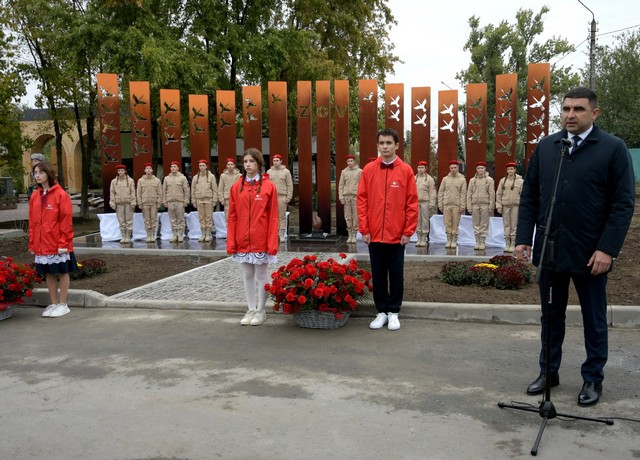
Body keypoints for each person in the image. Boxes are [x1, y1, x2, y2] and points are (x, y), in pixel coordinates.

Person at [515, 87, 635, 407]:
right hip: (552, 249)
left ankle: (593, 378)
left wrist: (607, 249)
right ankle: (548, 371)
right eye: (566, 108)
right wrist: (524, 238)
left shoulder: (612, 149)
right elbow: (530, 197)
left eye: (578, 109)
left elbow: (622, 204)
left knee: (594, 318)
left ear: (594, 113)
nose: (570, 114)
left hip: (591, 254)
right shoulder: (547, 147)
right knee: (550, 317)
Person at [357, 128, 418, 331]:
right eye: (381, 143)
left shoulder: (406, 170)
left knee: (397, 275)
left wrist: (408, 231)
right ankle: (381, 311)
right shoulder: (369, 170)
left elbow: (411, 202)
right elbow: (362, 200)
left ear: (397, 145)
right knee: (378, 273)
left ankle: (394, 312)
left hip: (396, 235)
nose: (385, 147)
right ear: (378, 145)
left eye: (389, 143)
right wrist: (364, 229)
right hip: (374, 234)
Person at [227, 148, 279, 326]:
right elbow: (232, 216)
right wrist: (231, 240)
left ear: (259, 164)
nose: (248, 164)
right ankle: (250, 308)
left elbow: (273, 216)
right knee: (247, 274)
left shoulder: (268, 187)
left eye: (251, 161)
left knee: (261, 274)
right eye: (246, 161)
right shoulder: (236, 187)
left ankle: (261, 310)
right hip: (242, 239)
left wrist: (272, 242)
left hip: (260, 239)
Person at [28, 162, 78, 318]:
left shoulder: (60, 194)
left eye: (40, 172)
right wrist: (32, 242)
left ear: (48, 174)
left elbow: (65, 220)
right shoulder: (35, 196)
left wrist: (64, 243)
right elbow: (33, 222)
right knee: (48, 273)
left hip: (57, 242)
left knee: (63, 271)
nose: (37, 175)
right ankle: (53, 303)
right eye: (35, 173)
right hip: (42, 243)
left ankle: (63, 304)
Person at [437, 160, 467, 249]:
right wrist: (440, 204)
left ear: (458, 168)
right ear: (449, 169)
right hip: (446, 204)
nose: (453, 169)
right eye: (451, 168)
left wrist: (462, 206)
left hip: (456, 205)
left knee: (455, 223)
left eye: (455, 168)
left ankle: (454, 240)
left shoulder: (462, 179)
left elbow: (463, 193)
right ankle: (448, 240)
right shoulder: (445, 179)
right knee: (447, 223)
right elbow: (441, 192)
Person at [466, 161, 495, 250]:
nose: (480, 170)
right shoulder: (472, 180)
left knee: (484, 224)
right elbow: (469, 194)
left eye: (482, 168)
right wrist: (469, 206)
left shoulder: (489, 180)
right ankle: (477, 241)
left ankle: (482, 241)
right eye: (478, 168)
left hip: (485, 204)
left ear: (485, 169)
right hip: (475, 204)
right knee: (475, 223)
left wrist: (491, 206)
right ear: (476, 169)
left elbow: (492, 194)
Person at [496, 162, 523, 253]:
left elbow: (523, 195)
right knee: (506, 225)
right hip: (505, 205)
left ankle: (513, 243)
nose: (510, 171)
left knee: (514, 225)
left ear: (515, 170)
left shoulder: (520, 181)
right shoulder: (503, 181)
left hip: (515, 206)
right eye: (508, 169)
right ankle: (507, 243)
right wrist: (499, 206)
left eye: (511, 169)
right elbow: (499, 194)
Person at [266, 153, 293, 242]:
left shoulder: (286, 172)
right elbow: (266, 185)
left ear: (281, 161)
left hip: (282, 197)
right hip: (271, 197)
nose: (275, 162)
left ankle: (281, 234)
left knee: (281, 216)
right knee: (271, 216)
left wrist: (288, 197)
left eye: (277, 161)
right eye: (274, 161)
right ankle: (273, 234)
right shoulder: (269, 172)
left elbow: (290, 185)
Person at [191, 159, 218, 242]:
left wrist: (214, 200)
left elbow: (214, 189)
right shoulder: (195, 177)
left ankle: (208, 234)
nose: (202, 167)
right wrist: (193, 200)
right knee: (201, 217)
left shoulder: (211, 176)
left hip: (208, 199)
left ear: (206, 166)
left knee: (208, 217)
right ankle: (203, 234)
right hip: (199, 199)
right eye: (200, 166)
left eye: (203, 165)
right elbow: (193, 189)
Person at [162, 161, 190, 243]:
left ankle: (181, 235)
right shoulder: (167, 178)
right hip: (170, 201)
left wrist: (186, 201)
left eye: (174, 166)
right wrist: (165, 201)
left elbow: (186, 190)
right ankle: (174, 235)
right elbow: (164, 191)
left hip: (180, 201)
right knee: (172, 220)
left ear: (178, 168)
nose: (173, 168)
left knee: (180, 219)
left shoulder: (182, 178)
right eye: (171, 167)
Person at [109, 164, 137, 244]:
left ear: (125, 171)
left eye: (122, 170)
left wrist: (133, 203)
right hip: (119, 204)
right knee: (121, 221)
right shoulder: (114, 182)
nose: (120, 172)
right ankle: (123, 236)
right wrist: (112, 203)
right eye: (119, 170)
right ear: (117, 172)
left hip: (128, 203)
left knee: (128, 220)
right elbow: (112, 193)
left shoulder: (130, 180)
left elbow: (132, 192)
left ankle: (128, 236)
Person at [338, 154, 362, 244]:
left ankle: (355, 234)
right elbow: (341, 185)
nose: (350, 163)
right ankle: (350, 234)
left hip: (356, 196)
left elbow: (362, 185)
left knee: (355, 215)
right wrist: (341, 197)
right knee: (348, 216)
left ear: (354, 161)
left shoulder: (360, 171)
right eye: (348, 161)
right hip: (346, 196)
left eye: (351, 161)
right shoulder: (344, 172)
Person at [136, 162, 162, 243]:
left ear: (152, 170)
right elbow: (138, 193)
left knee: (153, 220)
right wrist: (139, 203)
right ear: (144, 170)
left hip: (154, 203)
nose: (148, 170)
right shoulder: (140, 181)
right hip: (145, 203)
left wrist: (159, 203)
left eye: (150, 168)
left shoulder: (157, 180)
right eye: (147, 168)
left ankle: (153, 235)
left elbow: (160, 193)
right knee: (147, 220)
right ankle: (148, 235)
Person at [414, 160, 437, 247]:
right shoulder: (414, 178)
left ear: (425, 168)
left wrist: (432, 203)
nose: (420, 169)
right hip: (416, 203)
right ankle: (418, 237)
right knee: (417, 220)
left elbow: (432, 192)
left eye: (422, 168)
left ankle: (424, 238)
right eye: (419, 167)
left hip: (425, 202)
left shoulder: (429, 179)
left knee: (425, 220)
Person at [218, 157, 241, 223]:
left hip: (237, 198)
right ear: (226, 166)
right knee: (228, 216)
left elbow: (242, 188)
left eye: (231, 164)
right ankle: (229, 231)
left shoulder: (239, 175)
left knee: (237, 215)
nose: (230, 166)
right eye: (228, 164)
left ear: (234, 166)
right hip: (227, 199)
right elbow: (220, 188)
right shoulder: (223, 176)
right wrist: (221, 199)